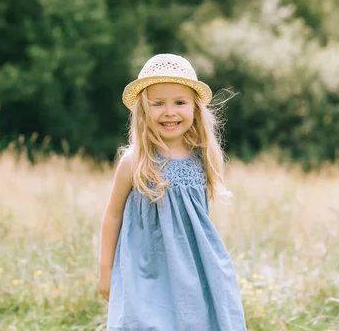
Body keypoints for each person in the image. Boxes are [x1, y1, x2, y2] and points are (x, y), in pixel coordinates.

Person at [97, 53, 247, 330]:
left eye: (180, 102)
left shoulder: (202, 157)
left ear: (195, 109)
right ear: (143, 109)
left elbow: (198, 221)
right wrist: (106, 270)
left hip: (193, 268)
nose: (169, 112)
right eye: (158, 103)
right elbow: (112, 216)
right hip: (147, 268)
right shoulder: (134, 161)